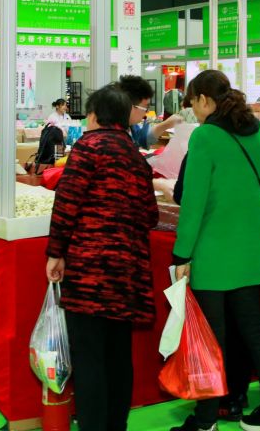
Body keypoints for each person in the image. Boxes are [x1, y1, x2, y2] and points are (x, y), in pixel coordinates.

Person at [171, 70, 260, 431]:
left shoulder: (205, 136)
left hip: (213, 252)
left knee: (212, 339)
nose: (194, 111)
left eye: (193, 103)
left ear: (205, 99)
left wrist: (182, 254)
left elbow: (193, 202)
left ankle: (206, 420)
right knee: (256, 332)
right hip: (253, 249)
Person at [46, 84, 158, 431]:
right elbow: (150, 214)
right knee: (118, 356)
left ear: (93, 115)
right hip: (126, 272)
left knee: (89, 358)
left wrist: (55, 252)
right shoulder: (135, 155)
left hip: (89, 270)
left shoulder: (88, 147)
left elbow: (67, 203)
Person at [116, 75, 155, 150]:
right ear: (130, 106)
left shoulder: (131, 125)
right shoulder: (115, 141)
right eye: (146, 107)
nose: (148, 111)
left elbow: (140, 141)